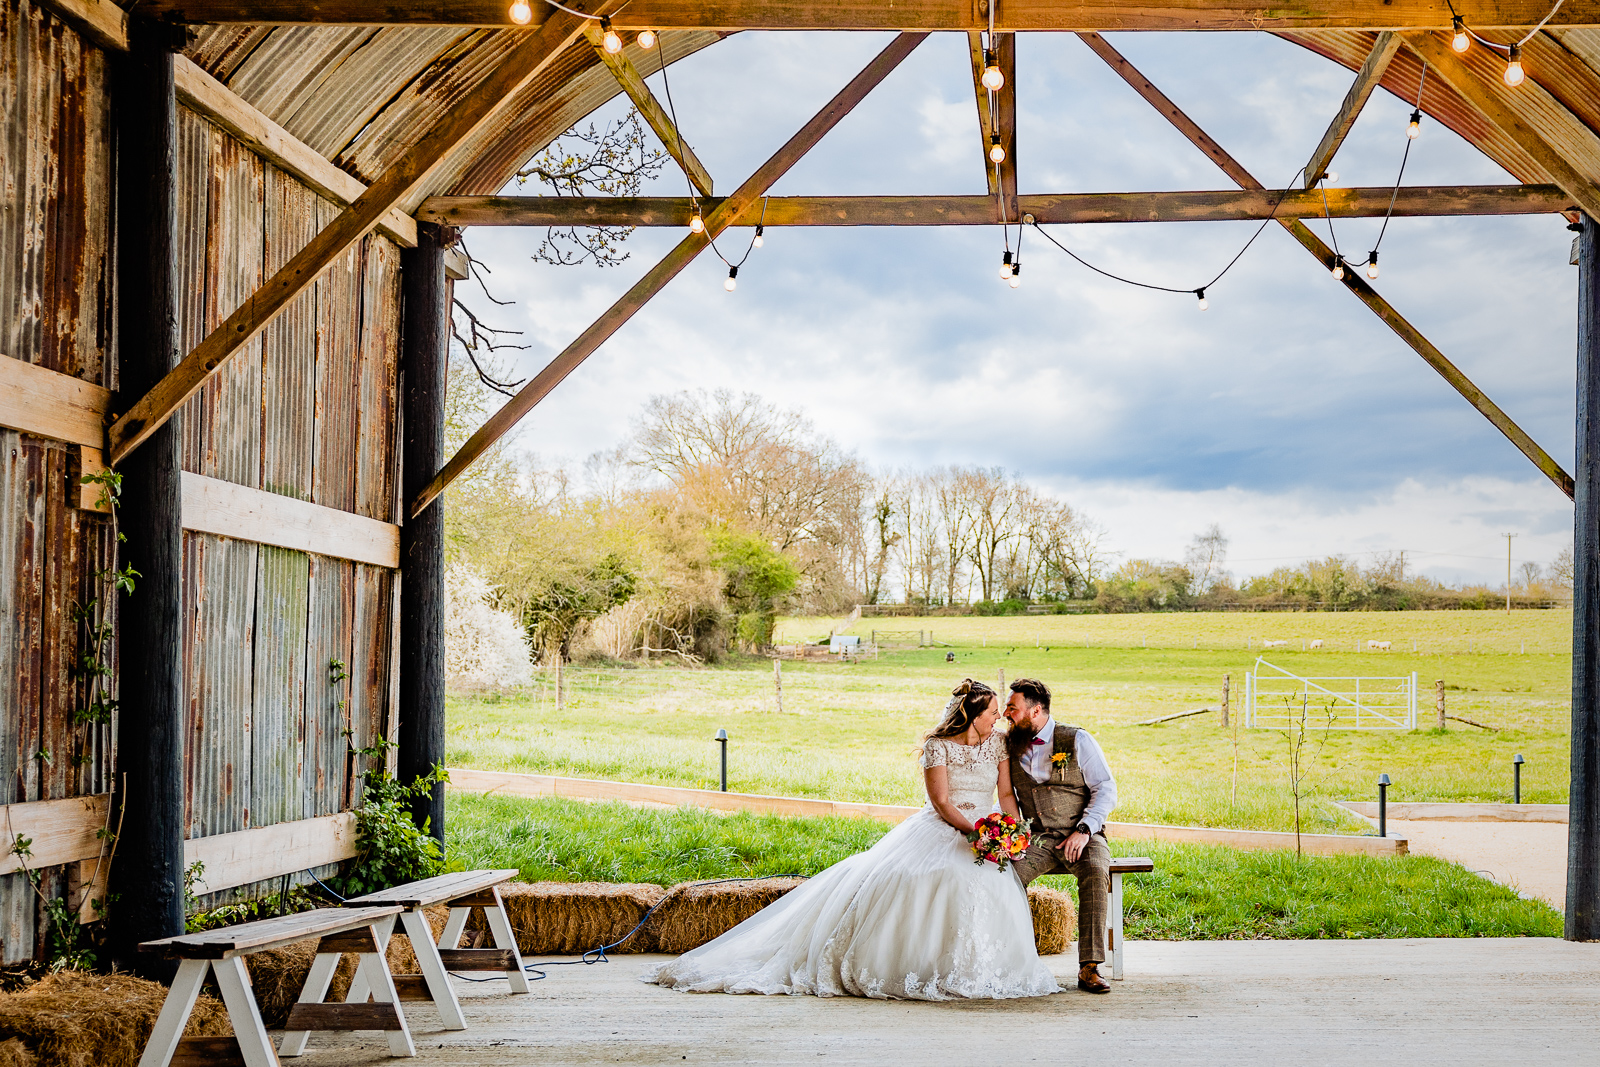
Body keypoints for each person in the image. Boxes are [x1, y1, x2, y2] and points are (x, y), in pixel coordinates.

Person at [648, 679, 1059, 1000]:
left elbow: (1005, 794)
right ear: (971, 714)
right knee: (929, 877)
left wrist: (1008, 830)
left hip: (988, 828)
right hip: (949, 826)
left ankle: (983, 968)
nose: (998, 718)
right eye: (991, 712)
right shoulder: (938, 747)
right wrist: (977, 833)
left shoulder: (999, 744)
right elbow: (941, 802)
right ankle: (913, 965)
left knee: (992, 883)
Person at [1003, 677, 1119, 994]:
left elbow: (1106, 789)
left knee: (1096, 872)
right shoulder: (1008, 746)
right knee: (1004, 876)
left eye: (1012, 708)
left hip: (1082, 832)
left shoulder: (1077, 739)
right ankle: (1013, 960)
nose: (1005, 714)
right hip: (1036, 837)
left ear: (1036, 711)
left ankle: (1089, 967)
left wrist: (1084, 830)